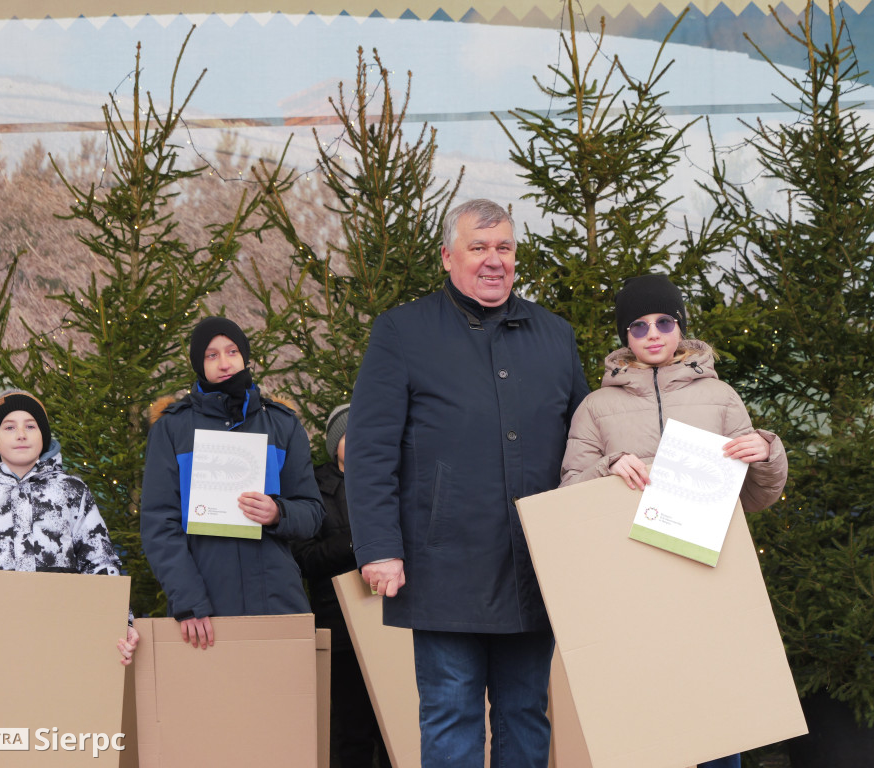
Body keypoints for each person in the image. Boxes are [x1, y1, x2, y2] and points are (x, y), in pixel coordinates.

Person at [346, 199, 590, 767]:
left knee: (525, 714)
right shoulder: (402, 332)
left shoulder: (554, 335)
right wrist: (380, 548)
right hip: (442, 567)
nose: (493, 261)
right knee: (451, 713)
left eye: (503, 247)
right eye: (478, 248)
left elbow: (586, 439)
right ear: (447, 256)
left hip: (533, 567)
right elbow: (370, 450)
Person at [560, 273, 789, 768]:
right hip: (631, 582)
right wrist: (607, 467)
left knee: (717, 715)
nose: (653, 334)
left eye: (664, 322)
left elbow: (756, 497)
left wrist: (766, 452)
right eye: (638, 326)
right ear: (625, 336)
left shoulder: (721, 397)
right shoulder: (597, 408)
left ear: (681, 325)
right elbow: (569, 495)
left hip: (707, 578)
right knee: (646, 715)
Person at [140, 316, 324, 650]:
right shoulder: (171, 430)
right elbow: (158, 524)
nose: (224, 363)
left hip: (277, 602)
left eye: (232, 351)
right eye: (212, 355)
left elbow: (312, 512)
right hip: (206, 610)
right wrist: (189, 601)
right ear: (199, 362)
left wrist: (278, 513)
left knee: (282, 701)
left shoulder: (282, 425)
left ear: (244, 356)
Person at [0, 389, 138, 665]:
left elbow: (99, 561)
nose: (21, 434)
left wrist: (122, 621)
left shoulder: (72, 491)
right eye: (9, 427)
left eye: (31, 426)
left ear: (44, 436)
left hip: (64, 630)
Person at [291, 404, 389, 768]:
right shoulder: (314, 490)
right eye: (351, 434)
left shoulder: (388, 482)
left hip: (391, 623)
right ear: (335, 444)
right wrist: (356, 542)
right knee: (353, 729)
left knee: (396, 726)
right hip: (341, 627)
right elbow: (306, 558)